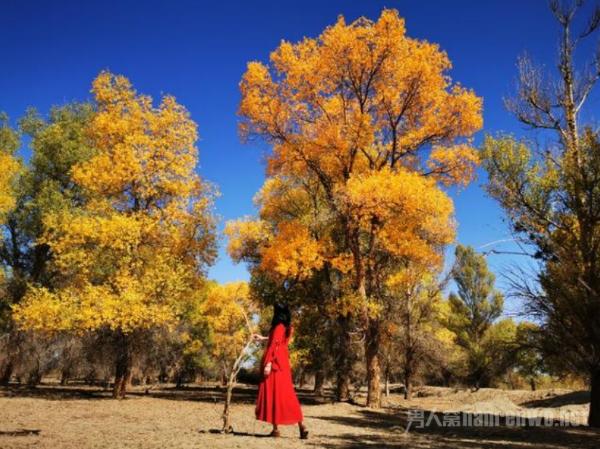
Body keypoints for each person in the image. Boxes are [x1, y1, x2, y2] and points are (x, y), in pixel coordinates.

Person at [253, 303, 309, 439]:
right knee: (287, 395)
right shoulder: (285, 327)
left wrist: (269, 363)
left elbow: (275, 345)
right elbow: (278, 341)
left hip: (275, 366)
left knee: (274, 394)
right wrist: (263, 338)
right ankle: (300, 426)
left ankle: (276, 429)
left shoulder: (278, 327)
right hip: (283, 365)